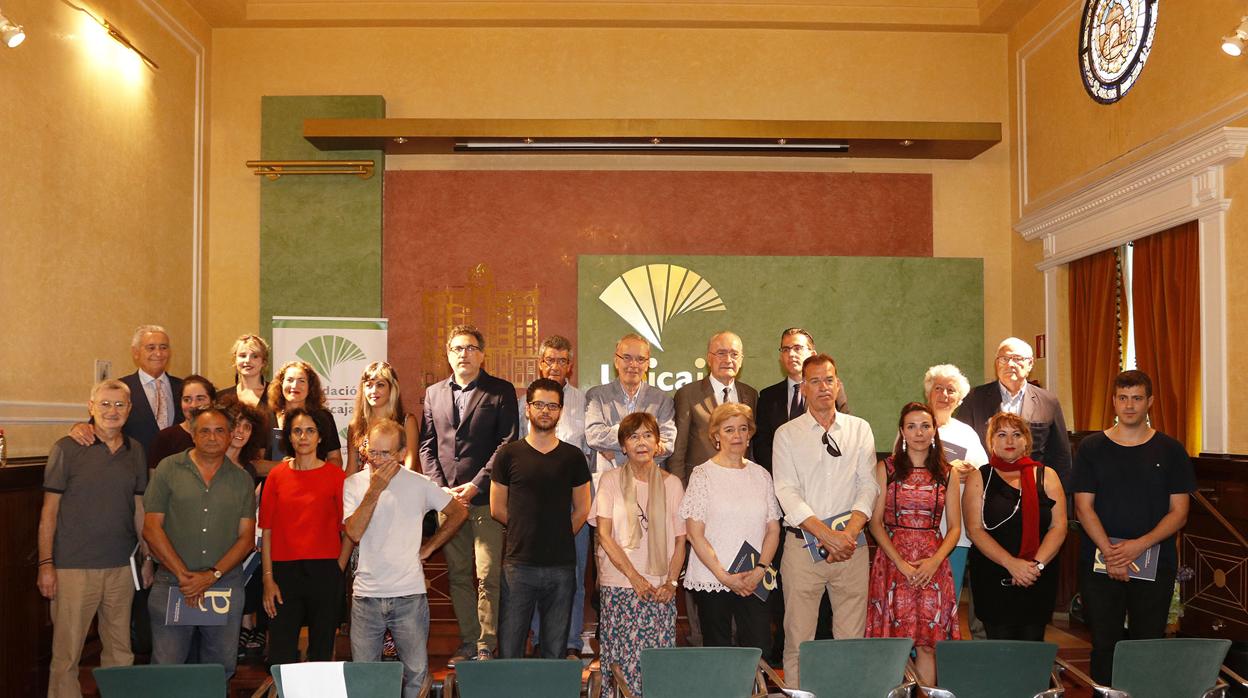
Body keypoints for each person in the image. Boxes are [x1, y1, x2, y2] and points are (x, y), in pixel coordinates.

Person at [1073, 370, 1195, 685]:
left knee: (1147, 645)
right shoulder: (1091, 448)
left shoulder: (1171, 450)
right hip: (1100, 564)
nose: (1129, 406)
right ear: (1113, 401)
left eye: (1137, 398)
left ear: (1149, 402)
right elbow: (1083, 507)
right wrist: (1111, 554)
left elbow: (1179, 513)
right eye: (1123, 398)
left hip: (1156, 563)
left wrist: (1137, 546)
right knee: (1104, 645)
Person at [39, 380, 150, 698]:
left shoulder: (136, 451)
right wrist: (46, 564)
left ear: (129, 410)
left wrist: (146, 558)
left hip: (121, 568)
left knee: (120, 653)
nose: (111, 411)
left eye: (119, 405)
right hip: (73, 568)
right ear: (90, 407)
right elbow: (48, 512)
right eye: (104, 404)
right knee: (67, 657)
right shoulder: (67, 448)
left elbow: (139, 507)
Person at [771, 354, 877, 687]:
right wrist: (825, 535)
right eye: (814, 381)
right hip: (804, 549)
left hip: (852, 549)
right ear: (803, 388)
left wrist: (849, 533)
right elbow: (786, 491)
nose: (823, 387)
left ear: (838, 384)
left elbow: (868, 484)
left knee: (850, 640)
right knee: (799, 640)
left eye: (829, 379)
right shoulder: (787, 434)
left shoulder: (860, 429)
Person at [346, 419, 468, 697]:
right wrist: (374, 490)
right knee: (365, 678)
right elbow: (353, 532)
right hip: (365, 597)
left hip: (409, 596)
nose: (377, 460)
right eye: (373, 452)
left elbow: (458, 512)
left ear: (402, 453)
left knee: (416, 676)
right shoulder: (354, 484)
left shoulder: (419, 483)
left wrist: (430, 548)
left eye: (385, 453)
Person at [419, 324, 518, 664]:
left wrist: (476, 483)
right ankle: (467, 640)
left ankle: (486, 645)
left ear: (482, 354)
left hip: (486, 498)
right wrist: (439, 487)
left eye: (471, 348)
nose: (464, 354)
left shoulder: (501, 391)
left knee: (487, 574)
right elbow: (427, 445)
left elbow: (507, 443)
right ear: (448, 355)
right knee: (459, 574)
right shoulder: (433, 393)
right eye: (458, 348)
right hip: (448, 501)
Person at [143, 406, 257, 679]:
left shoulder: (241, 479)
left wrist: (211, 576)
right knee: (166, 669)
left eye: (220, 431)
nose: (212, 437)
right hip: (173, 583)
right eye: (204, 431)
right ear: (193, 435)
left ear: (230, 436)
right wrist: (185, 576)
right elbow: (151, 528)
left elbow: (246, 539)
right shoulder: (168, 469)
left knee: (218, 669)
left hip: (223, 584)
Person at [491, 378, 592, 659]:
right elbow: (497, 508)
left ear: (560, 411)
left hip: (561, 568)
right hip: (517, 565)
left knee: (554, 652)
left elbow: (583, 509)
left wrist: (556, 534)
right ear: (527, 409)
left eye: (552, 406)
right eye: (539, 405)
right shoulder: (508, 454)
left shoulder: (572, 457)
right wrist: (526, 532)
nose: (545, 411)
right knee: (510, 649)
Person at [591, 412, 686, 698]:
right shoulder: (609, 480)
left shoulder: (673, 484)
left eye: (647, 435)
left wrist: (671, 583)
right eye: (633, 437)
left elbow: (681, 540)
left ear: (658, 444)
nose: (641, 442)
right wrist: (634, 578)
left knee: (655, 663)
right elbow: (604, 535)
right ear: (623, 446)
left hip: (659, 590)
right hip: (620, 585)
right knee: (619, 662)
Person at [865, 402, 961, 686]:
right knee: (894, 644)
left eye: (925, 426)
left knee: (928, 645)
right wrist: (901, 563)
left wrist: (934, 562)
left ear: (934, 430)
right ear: (902, 432)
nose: (919, 432)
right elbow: (875, 523)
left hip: (933, 564)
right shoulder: (887, 469)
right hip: (893, 562)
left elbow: (955, 528)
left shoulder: (948, 472)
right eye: (911, 426)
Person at [678, 402, 781, 654]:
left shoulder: (761, 475)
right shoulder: (702, 475)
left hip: (755, 577)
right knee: (718, 654)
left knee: (759, 650)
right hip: (713, 578)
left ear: (750, 433)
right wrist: (723, 576)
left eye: (743, 429)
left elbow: (773, 529)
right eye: (729, 430)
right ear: (716, 435)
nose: (737, 436)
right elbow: (694, 533)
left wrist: (759, 570)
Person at [259, 408, 353, 667]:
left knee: (322, 652)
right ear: (289, 437)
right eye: (297, 431)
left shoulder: (336, 476)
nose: (303, 437)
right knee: (280, 654)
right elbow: (266, 530)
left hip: (325, 570)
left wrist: (338, 569)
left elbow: (349, 530)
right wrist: (268, 579)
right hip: (283, 573)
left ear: (320, 437)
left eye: (310, 431)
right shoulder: (276, 476)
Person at [963, 412, 1067, 641]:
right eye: (1002, 434)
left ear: (1027, 441)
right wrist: (1012, 564)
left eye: (1016, 434)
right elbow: (974, 530)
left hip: (1037, 576)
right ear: (991, 442)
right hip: (993, 577)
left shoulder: (1047, 476)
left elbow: (1058, 526)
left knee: (1033, 646)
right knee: (1000, 651)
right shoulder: (980, 477)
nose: (1009, 441)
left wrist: (1035, 566)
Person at [519, 335, 593, 658]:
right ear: (540, 362)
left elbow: (589, 453)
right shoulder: (528, 401)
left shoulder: (585, 401)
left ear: (570, 366)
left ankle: (571, 643)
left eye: (562, 360)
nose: (555, 366)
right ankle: (537, 639)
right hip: (533, 502)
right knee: (533, 573)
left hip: (574, 499)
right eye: (549, 359)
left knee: (573, 574)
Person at [956, 337, 1072, 485]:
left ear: (1030, 364)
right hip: (987, 484)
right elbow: (960, 442)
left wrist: (1061, 495)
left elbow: (1060, 455)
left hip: (1034, 485)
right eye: (1004, 359)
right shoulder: (975, 398)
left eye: (1017, 359)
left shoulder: (1048, 401)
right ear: (997, 363)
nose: (1010, 364)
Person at [924, 364, 989, 603]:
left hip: (955, 530)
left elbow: (983, 474)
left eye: (950, 390)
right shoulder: (914, 426)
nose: (944, 395)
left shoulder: (967, 433)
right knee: (919, 599)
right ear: (929, 393)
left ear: (959, 399)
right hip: (918, 528)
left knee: (948, 597)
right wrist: (949, 472)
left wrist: (970, 473)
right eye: (938, 388)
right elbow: (900, 472)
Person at [68, 325, 185, 452]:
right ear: (136, 353)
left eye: (164, 347)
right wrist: (79, 427)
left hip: (177, 468)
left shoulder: (184, 389)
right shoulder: (119, 390)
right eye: (151, 348)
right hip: (134, 467)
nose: (158, 353)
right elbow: (97, 425)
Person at [669, 331, 759, 484]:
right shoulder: (688, 394)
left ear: (742, 360)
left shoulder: (750, 394)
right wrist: (680, 492)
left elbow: (751, 448)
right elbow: (677, 453)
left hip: (741, 484)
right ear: (709, 359)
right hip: (701, 485)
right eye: (721, 353)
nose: (728, 359)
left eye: (734, 354)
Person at [585, 334, 677, 480]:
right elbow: (594, 436)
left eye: (640, 359)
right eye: (626, 357)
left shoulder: (662, 400)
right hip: (607, 483)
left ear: (647, 364)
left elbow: (668, 444)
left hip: (648, 483)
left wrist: (616, 453)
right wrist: (647, 441)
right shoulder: (597, 396)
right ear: (616, 361)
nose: (633, 365)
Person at [260, 360, 343, 474]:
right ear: (281, 384)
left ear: (310, 387)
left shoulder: (324, 417)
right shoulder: (266, 417)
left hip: (314, 486)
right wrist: (287, 467)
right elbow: (255, 465)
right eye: (289, 380)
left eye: (301, 381)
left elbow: (336, 460)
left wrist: (311, 471)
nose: (294, 386)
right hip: (275, 486)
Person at [346, 361, 419, 475]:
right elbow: (351, 469)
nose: (373, 391)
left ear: (392, 388)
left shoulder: (406, 422)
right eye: (369, 385)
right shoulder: (355, 425)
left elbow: (411, 468)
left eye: (380, 385)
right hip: (363, 490)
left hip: (399, 489)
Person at [147, 375, 216, 470]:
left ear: (213, 402)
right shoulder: (165, 438)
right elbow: (155, 480)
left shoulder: (220, 436)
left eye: (200, 399)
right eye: (187, 399)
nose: (193, 405)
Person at [218, 334, 270, 408]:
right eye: (243, 356)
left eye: (255, 356)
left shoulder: (277, 395)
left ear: (263, 362)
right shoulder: (221, 398)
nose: (248, 360)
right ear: (235, 360)